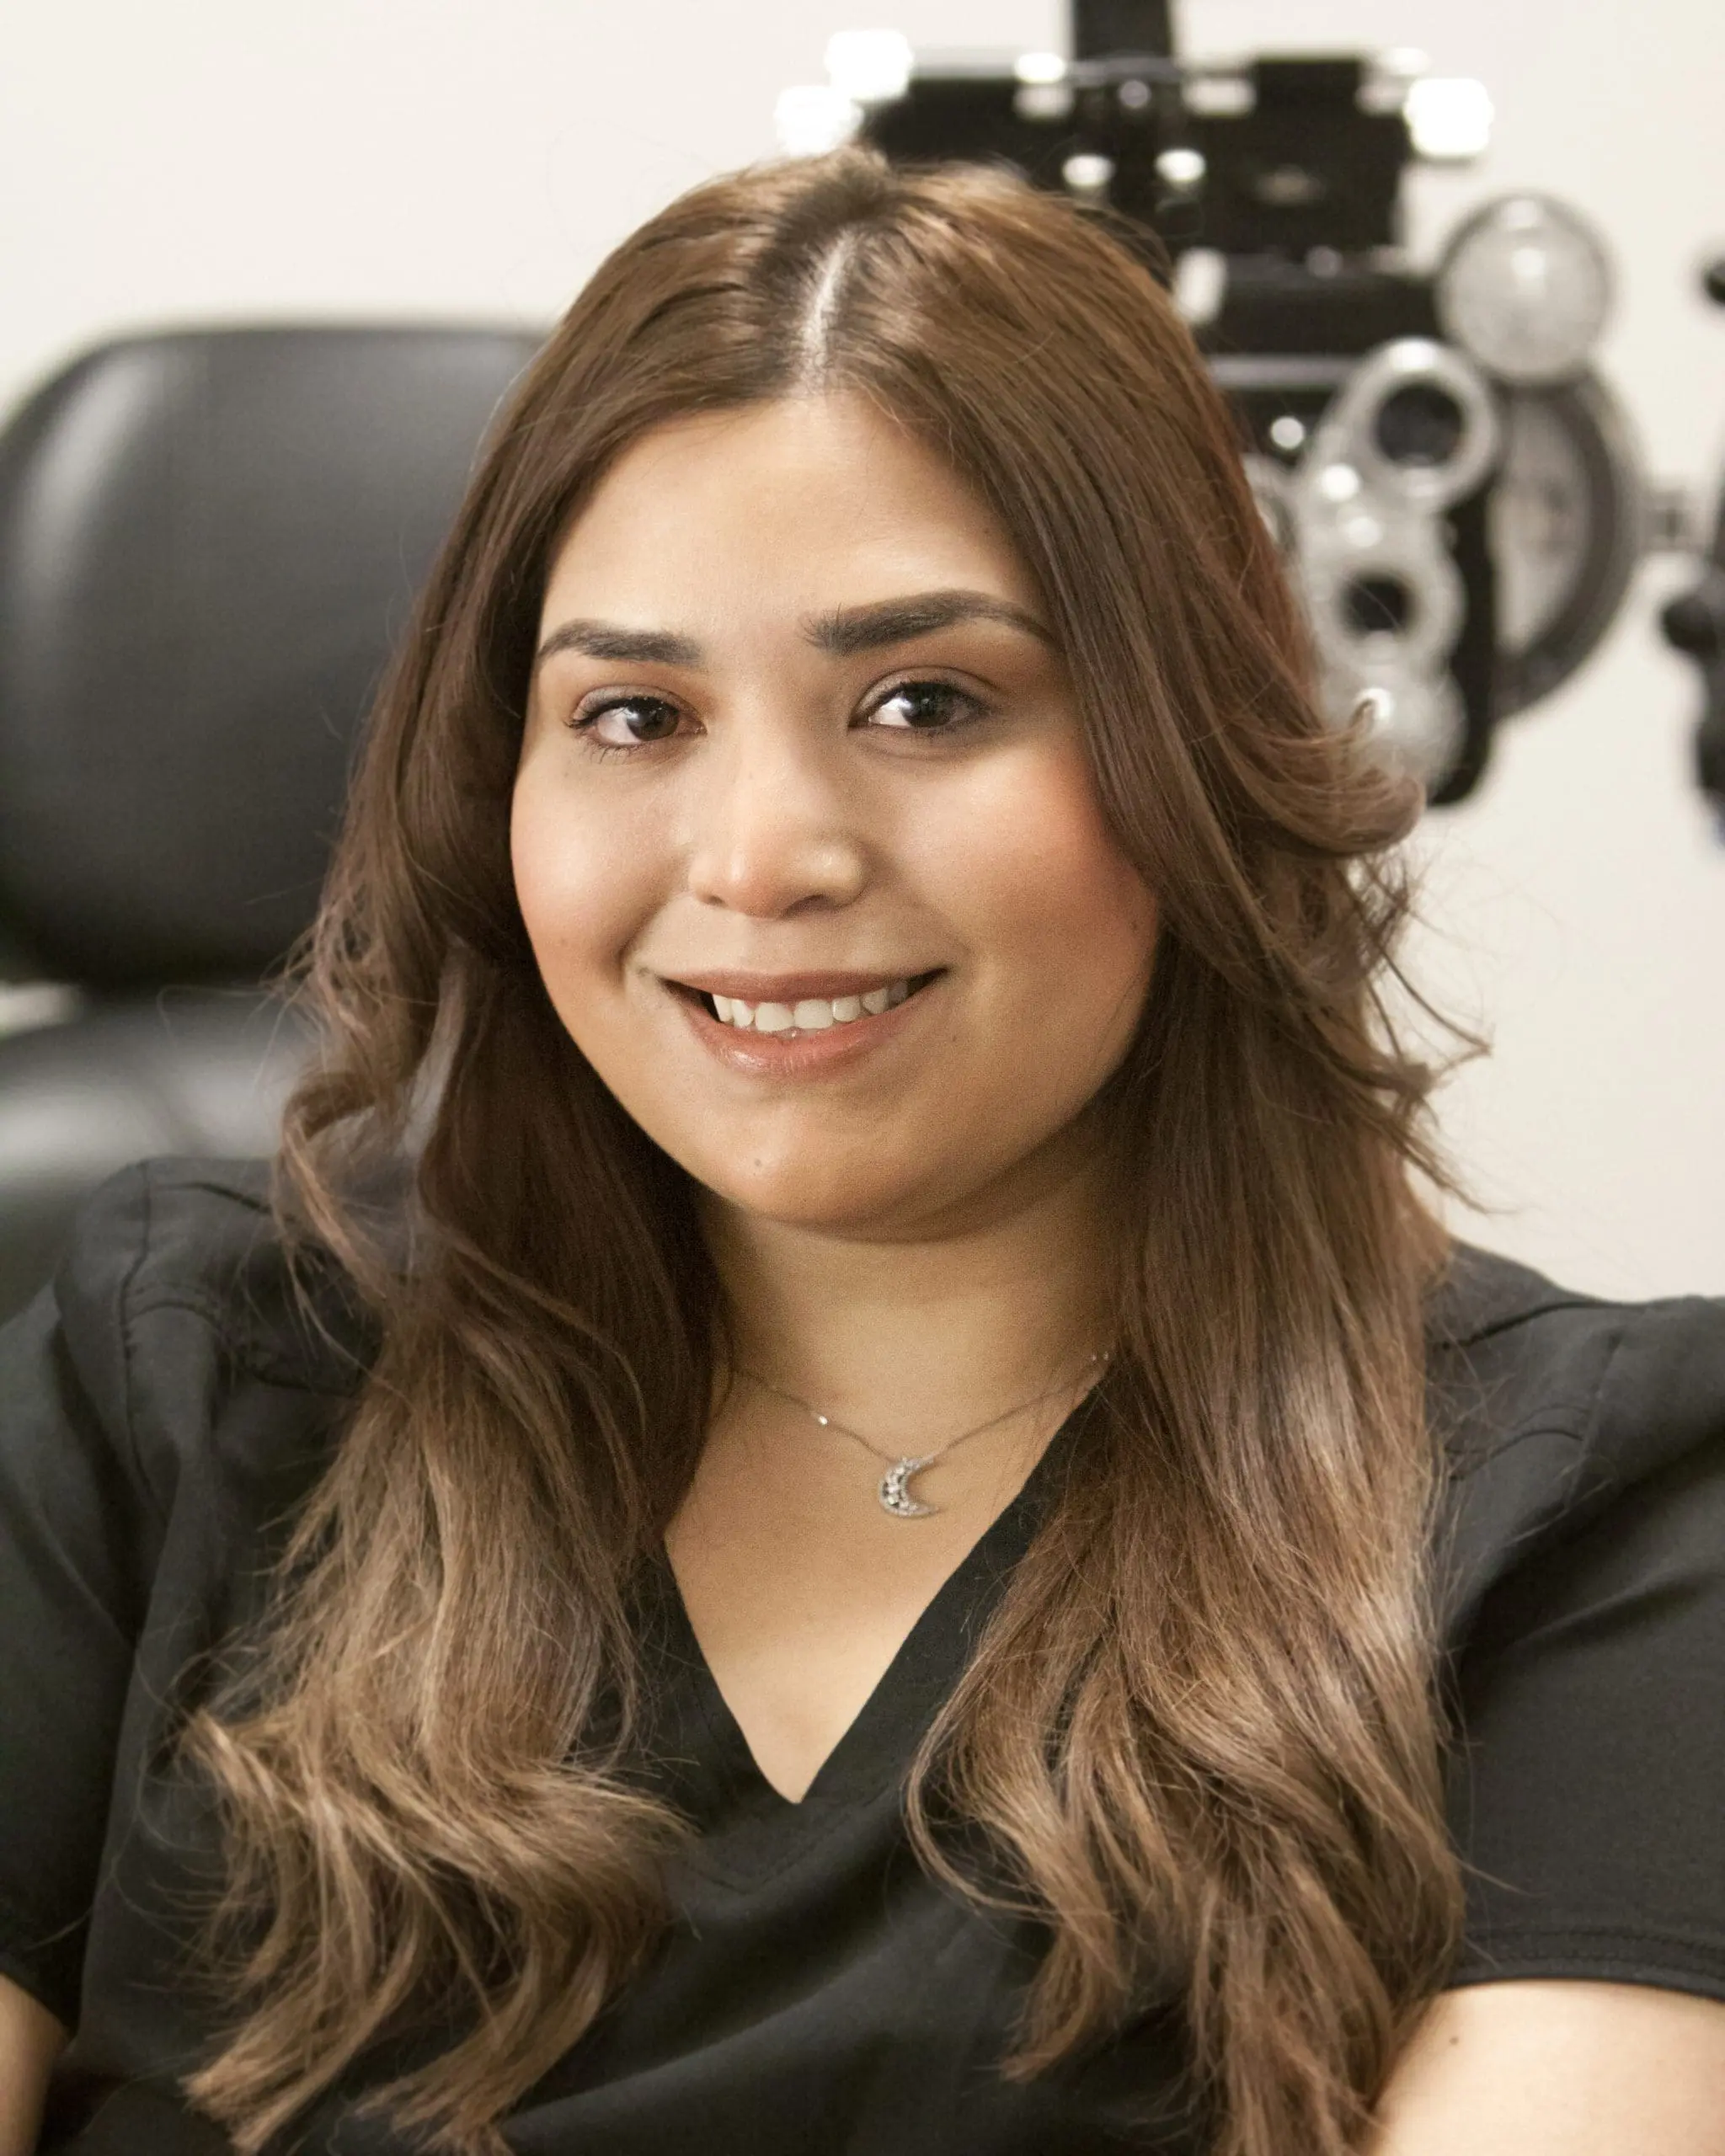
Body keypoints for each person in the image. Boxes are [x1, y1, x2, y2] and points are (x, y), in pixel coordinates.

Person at [1, 147, 1722, 2156]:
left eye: (924, 699)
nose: (759, 860)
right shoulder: (171, 1386)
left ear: (1186, 745)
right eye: (635, 715)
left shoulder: (1585, 1526)